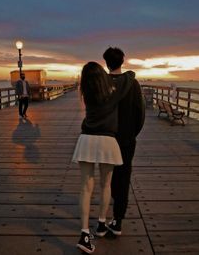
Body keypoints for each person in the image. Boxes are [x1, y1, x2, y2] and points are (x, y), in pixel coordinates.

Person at [72, 61, 135, 254]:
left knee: (85, 186)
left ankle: (84, 233)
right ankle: (100, 224)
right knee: (106, 185)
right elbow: (130, 75)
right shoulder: (113, 91)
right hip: (108, 140)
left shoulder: (86, 92)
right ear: (102, 75)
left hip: (87, 139)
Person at [103, 47, 145, 236]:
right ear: (122, 61)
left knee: (106, 178)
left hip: (105, 138)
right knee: (123, 177)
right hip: (126, 139)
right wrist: (131, 133)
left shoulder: (101, 83)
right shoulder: (133, 84)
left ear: (106, 62)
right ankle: (118, 220)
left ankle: (101, 220)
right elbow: (140, 113)